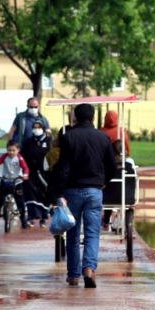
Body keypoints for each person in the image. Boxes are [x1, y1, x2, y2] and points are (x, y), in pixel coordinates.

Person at [46, 103, 116, 288]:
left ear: (75, 118)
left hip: (72, 191)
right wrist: (103, 181)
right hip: (94, 191)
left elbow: (63, 167)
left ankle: (73, 275)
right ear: (93, 118)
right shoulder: (103, 137)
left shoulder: (68, 137)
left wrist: (59, 193)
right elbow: (112, 166)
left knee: (73, 234)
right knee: (93, 233)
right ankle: (89, 269)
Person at [0, 140, 31, 230]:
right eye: (9, 150)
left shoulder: (20, 158)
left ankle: (23, 218)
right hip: (6, 181)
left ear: (18, 150)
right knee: (0, 200)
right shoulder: (4, 157)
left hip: (17, 181)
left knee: (20, 201)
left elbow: (25, 167)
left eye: (13, 150)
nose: (11, 152)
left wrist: (25, 175)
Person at [22, 121, 51, 227]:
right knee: (30, 193)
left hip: (45, 174)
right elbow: (23, 157)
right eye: (34, 127)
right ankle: (31, 217)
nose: (36, 129)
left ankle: (43, 217)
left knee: (43, 194)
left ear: (43, 128)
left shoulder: (49, 141)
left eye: (39, 127)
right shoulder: (29, 142)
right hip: (31, 173)